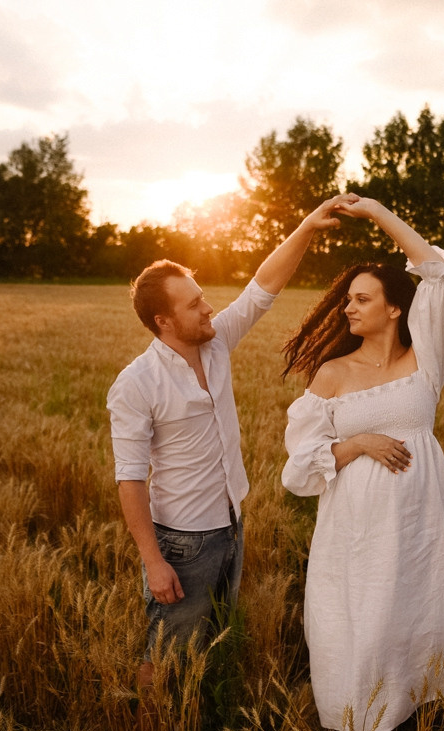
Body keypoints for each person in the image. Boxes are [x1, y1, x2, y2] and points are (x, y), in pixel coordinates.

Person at [107, 193, 356, 695]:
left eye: (202, 296)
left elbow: (263, 287)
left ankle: (194, 721)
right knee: (165, 652)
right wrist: (154, 562)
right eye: (194, 304)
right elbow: (129, 479)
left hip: (231, 525)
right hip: (182, 541)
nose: (208, 308)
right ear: (164, 322)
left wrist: (307, 226)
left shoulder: (215, 342)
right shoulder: (136, 384)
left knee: (210, 644)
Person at [280, 196, 444, 731]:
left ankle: (411, 723)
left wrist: (375, 212)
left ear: (395, 307)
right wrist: (360, 442)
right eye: (347, 299)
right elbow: (298, 471)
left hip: (420, 522)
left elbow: (438, 275)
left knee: (414, 618)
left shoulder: (427, 359)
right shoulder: (333, 373)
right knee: (364, 625)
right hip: (356, 529)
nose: (347, 307)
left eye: (362, 298)